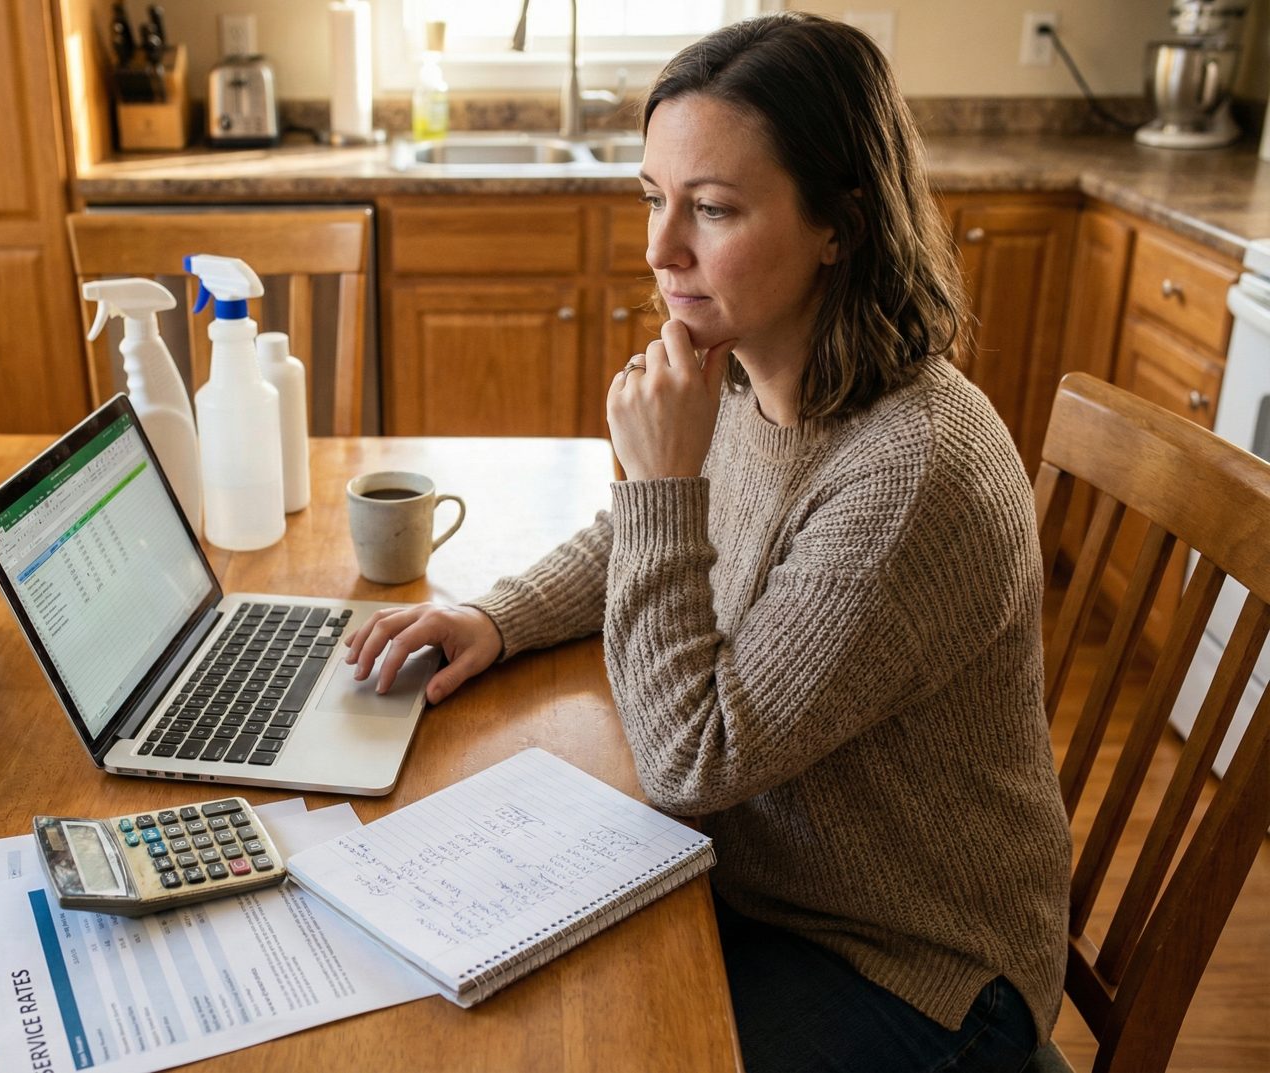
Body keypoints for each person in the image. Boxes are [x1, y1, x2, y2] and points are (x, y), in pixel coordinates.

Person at [345, 12, 1069, 1072]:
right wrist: (496, 614)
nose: (657, 249)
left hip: (916, 977)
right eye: (653, 199)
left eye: (713, 209)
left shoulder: (910, 471)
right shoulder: (743, 366)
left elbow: (691, 757)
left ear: (841, 225)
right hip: (755, 877)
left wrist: (664, 481)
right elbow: (640, 542)